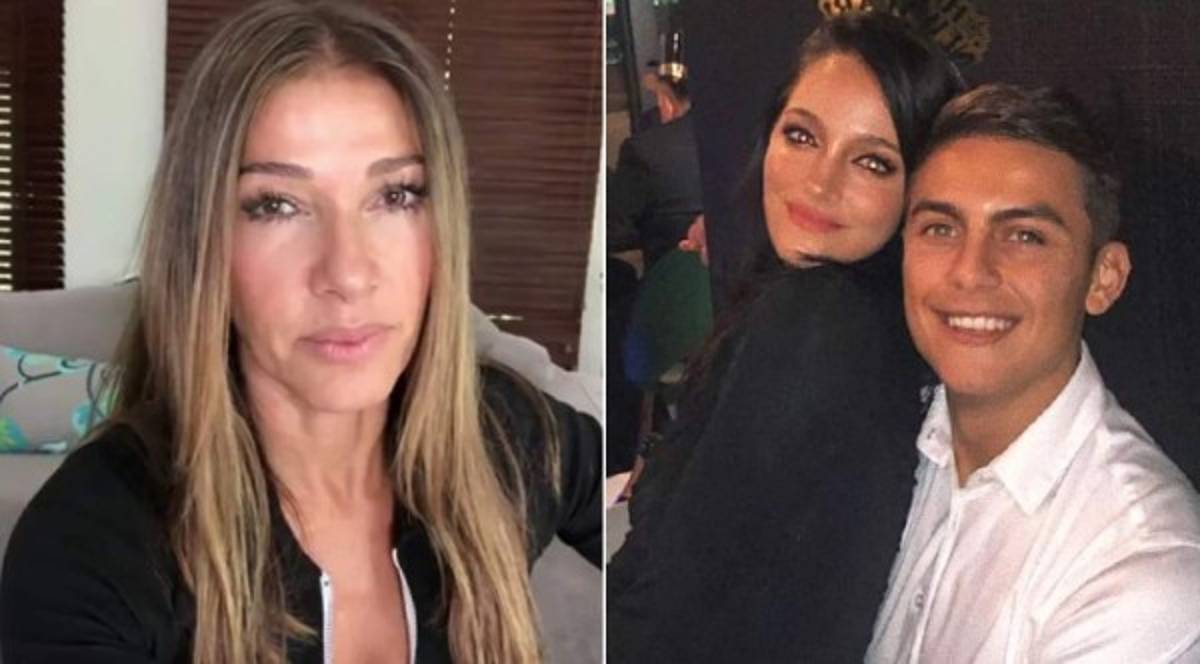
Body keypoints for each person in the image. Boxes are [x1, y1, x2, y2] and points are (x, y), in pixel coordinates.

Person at [0, 2, 602, 663]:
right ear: (203, 245)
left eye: (396, 195)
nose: (347, 273)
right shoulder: (95, 543)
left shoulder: (510, 435)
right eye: (276, 205)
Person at [607, 12, 963, 662]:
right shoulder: (857, 315)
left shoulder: (816, 325)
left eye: (873, 162)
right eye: (802, 135)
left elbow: (673, 616)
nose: (821, 182)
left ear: (919, 190)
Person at [868, 83, 1200, 662]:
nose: (970, 272)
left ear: (1103, 278)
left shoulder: (1142, 571)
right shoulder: (874, 438)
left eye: (1025, 236)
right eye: (941, 228)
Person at [607, 30, 704, 271]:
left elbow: (615, 232)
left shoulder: (645, 151)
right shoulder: (755, 138)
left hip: (675, 284)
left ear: (666, 101)